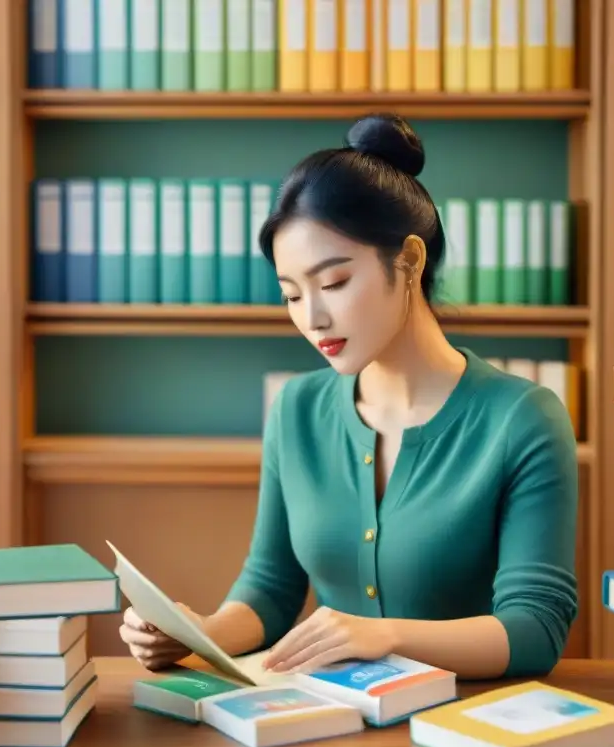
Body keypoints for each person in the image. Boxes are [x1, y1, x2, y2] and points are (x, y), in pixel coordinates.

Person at [119, 113, 579, 681]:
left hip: (471, 731)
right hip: (324, 725)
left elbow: (536, 630)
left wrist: (381, 635)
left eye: (334, 283)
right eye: (292, 295)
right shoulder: (297, 410)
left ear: (409, 260)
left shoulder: (523, 418)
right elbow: (269, 590)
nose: (313, 318)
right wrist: (197, 634)